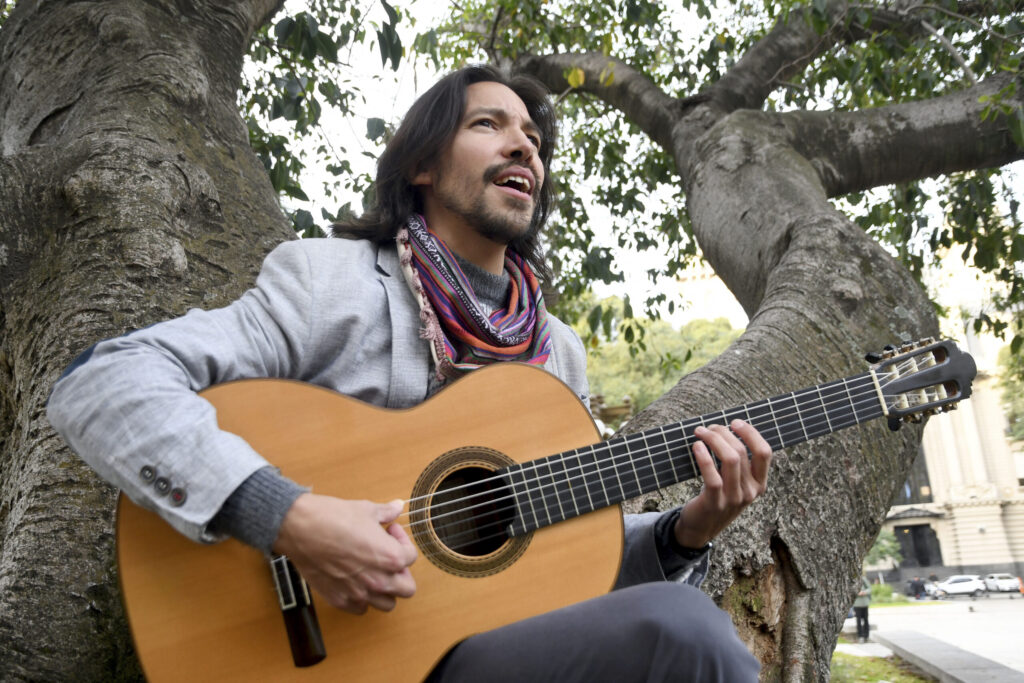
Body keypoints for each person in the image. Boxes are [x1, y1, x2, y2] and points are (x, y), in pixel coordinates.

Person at [47, 65, 773, 681]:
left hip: (486, 651)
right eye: (490, 124)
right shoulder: (328, 284)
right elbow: (103, 381)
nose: (524, 143)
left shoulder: (557, 354)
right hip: (331, 654)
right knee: (684, 626)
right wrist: (289, 516)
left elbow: (570, 566)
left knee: (678, 617)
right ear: (421, 165)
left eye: (534, 138)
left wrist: (683, 534)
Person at [853, 578, 871, 643]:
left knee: (866, 620)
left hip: (865, 604)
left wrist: (864, 592)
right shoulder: (852, 579)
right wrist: (857, 593)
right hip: (857, 604)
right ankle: (860, 636)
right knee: (858, 620)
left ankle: (866, 636)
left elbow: (869, 588)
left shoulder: (863, 579)